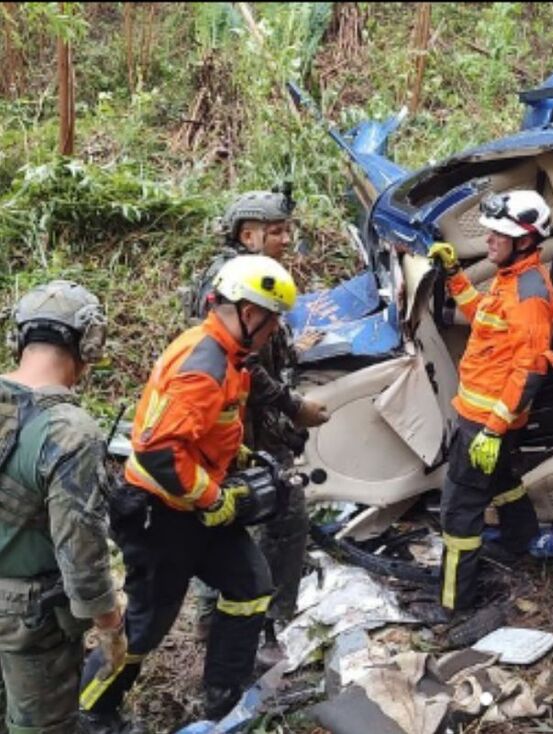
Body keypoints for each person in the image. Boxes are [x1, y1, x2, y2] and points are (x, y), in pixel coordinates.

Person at [78, 256, 298, 731]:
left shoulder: (230, 356)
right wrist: (213, 499)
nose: (275, 329)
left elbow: (204, 427)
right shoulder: (205, 364)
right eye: (273, 318)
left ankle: (224, 697)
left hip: (196, 509)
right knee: (146, 627)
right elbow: (158, 451)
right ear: (248, 311)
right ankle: (91, 708)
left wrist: (234, 457)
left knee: (250, 587)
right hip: (161, 514)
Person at [186, 187, 328, 665]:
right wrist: (294, 406)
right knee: (285, 518)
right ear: (247, 234)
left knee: (227, 521)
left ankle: (217, 614)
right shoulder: (233, 283)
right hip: (240, 428)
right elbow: (242, 361)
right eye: (276, 231)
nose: (286, 239)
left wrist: (294, 348)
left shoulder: (236, 278)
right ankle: (267, 626)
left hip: (238, 426)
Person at [0, 281, 124, 733]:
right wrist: (109, 623)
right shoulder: (69, 431)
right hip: (30, 618)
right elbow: (82, 556)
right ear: (90, 342)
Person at [427, 190, 553, 615]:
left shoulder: (530, 293)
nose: (488, 240)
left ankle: (453, 604)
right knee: (503, 484)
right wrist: (454, 276)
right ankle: (523, 545)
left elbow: (531, 367)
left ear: (524, 240)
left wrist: (492, 429)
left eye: (498, 235)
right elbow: (483, 317)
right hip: (484, 419)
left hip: (484, 423)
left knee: (459, 512)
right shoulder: (511, 279)